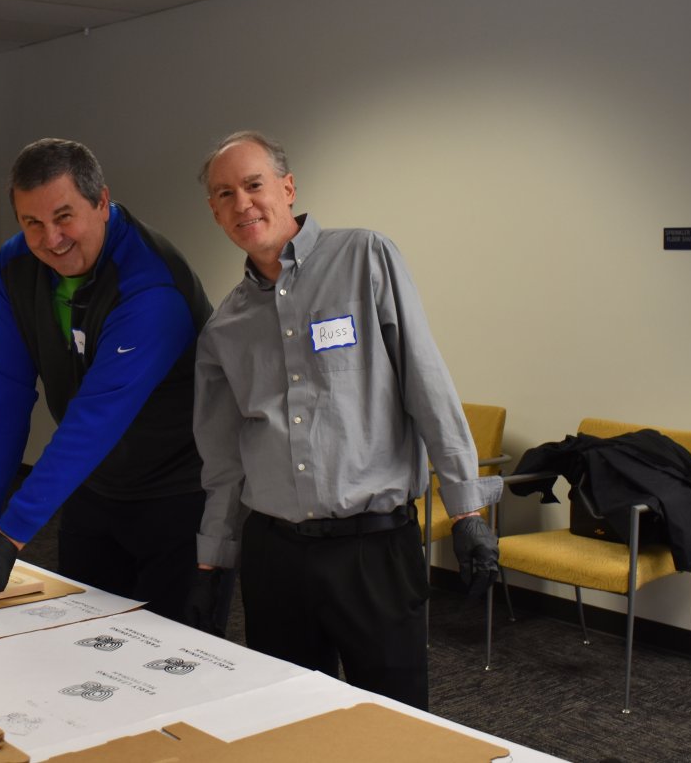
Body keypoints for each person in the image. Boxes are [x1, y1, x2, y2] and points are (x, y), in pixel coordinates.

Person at [185, 131, 499, 709]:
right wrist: (213, 559)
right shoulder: (224, 327)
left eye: (254, 185)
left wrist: (468, 509)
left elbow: (427, 385)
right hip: (274, 556)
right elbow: (224, 461)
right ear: (214, 211)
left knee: (396, 723)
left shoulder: (364, 257)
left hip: (372, 552)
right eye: (224, 194)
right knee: (289, 721)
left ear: (287, 186)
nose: (242, 204)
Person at [0, 138, 224, 630]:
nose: (51, 239)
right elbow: (6, 392)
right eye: (33, 223)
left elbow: (96, 418)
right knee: (83, 640)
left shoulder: (152, 286)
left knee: (175, 658)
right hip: (95, 487)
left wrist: (13, 535)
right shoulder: (15, 265)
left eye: (64, 217)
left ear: (102, 202)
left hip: (180, 495)